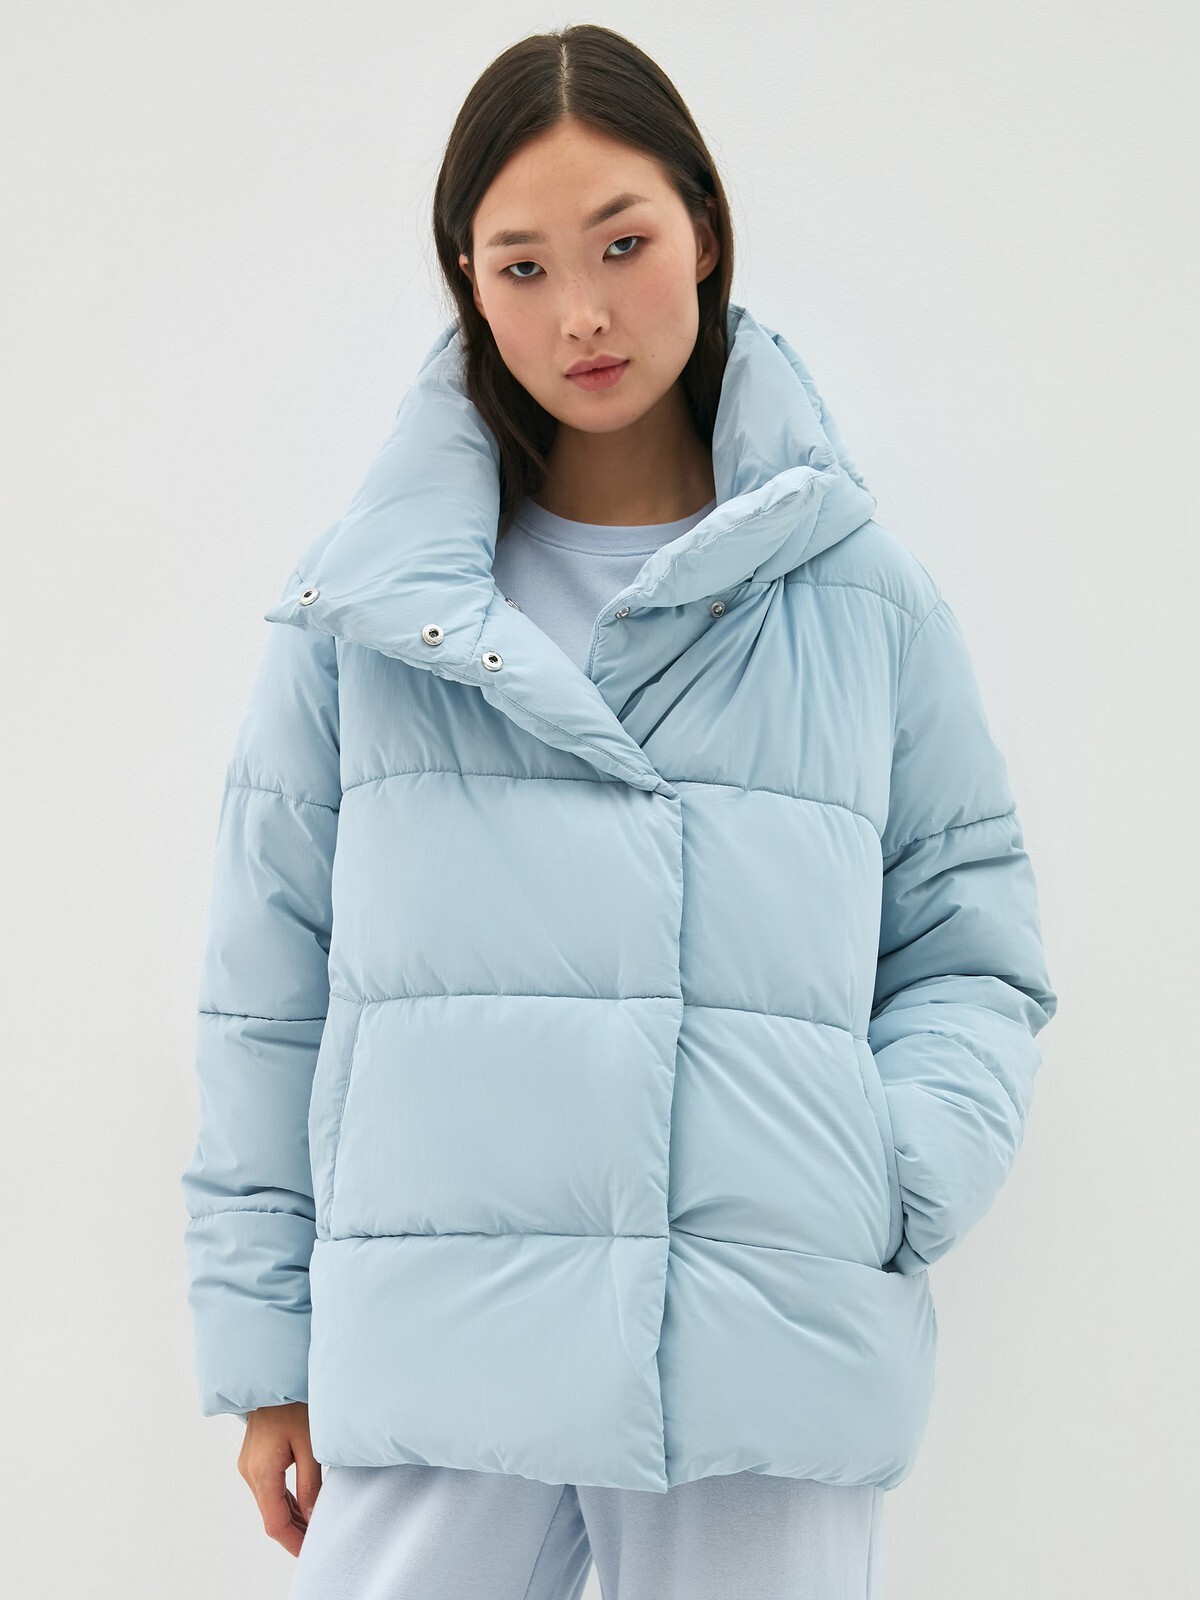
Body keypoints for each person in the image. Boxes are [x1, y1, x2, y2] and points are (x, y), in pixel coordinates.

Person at [180, 23, 1058, 1600]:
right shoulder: (367, 615)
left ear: (704, 231)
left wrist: (884, 1177)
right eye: (521, 268)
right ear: (468, 285)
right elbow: (267, 991)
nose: (580, 312)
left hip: (757, 1355)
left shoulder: (862, 597)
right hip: (443, 1356)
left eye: (623, 244)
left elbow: (970, 947)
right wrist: (264, 1350)